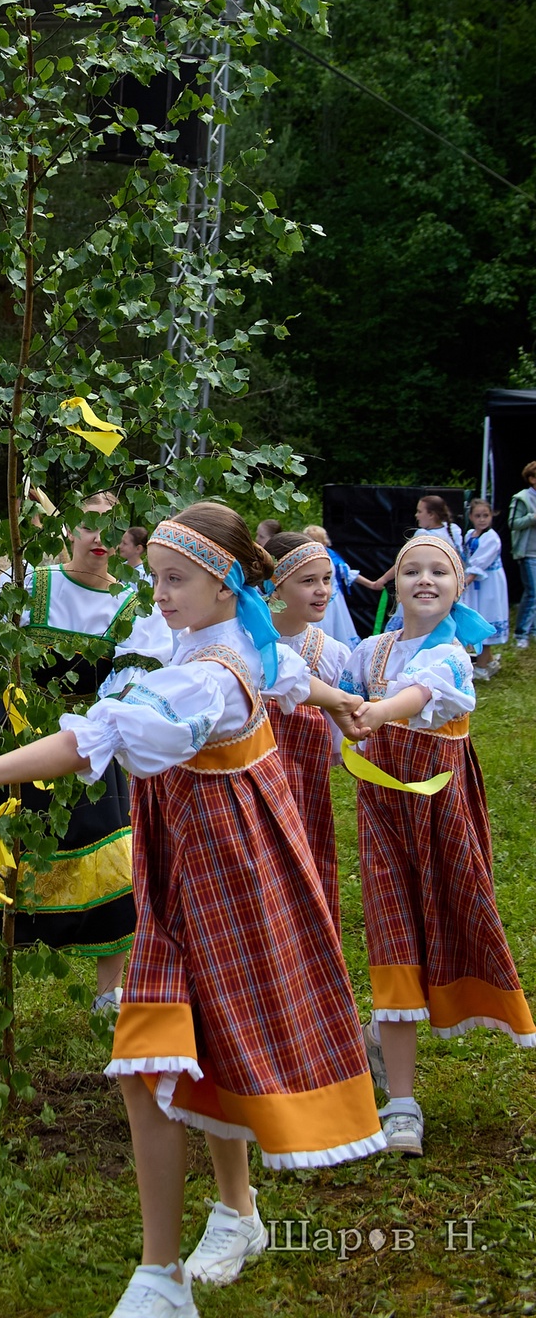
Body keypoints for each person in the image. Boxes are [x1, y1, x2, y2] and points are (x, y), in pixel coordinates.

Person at [0, 502, 383, 1316]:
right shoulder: (217, 638)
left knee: (174, 1058)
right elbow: (288, 674)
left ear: (224, 585)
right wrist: (336, 699)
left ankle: (183, 1256)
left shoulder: (210, 673)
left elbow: (92, 739)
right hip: (188, 879)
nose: (160, 595)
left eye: (175, 580)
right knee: (171, 1056)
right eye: (155, 579)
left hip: (229, 879)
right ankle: (197, 1242)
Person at [339, 532, 535, 1158]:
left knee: (449, 918)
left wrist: (375, 713)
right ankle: (401, 1102)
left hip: (442, 812)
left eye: (439, 572)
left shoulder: (451, 656)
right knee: (393, 933)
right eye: (411, 570)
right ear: (393, 584)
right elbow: (329, 689)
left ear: (460, 587)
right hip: (384, 815)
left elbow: (418, 695)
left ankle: (380, 1034)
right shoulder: (369, 651)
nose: (425, 580)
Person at [0, 492, 174, 1022]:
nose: (100, 538)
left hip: (89, 747)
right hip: (16, 734)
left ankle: (107, 992)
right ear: (70, 529)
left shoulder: (133, 608)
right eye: (90, 525)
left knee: (107, 858)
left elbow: (133, 690)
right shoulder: (33, 586)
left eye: (112, 528)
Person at [264, 531, 355, 929]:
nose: (322, 590)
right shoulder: (243, 645)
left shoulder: (331, 654)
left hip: (305, 794)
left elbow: (344, 743)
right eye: (308, 580)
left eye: (327, 579)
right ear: (274, 587)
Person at [464, 498, 508, 676]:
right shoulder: (470, 535)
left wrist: (463, 583)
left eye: (485, 515)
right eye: (478, 516)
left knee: (486, 619)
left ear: (491, 516)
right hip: (476, 585)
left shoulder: (492, 538)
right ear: (471, 517)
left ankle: (482, 668)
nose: (482, 519)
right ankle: (489, 662)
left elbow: (478, 564)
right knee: (478, 617)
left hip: (489, 584)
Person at [303, 524, 361, 649]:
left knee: (333, 628)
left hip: (332, 601)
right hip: (322, 599)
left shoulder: (331, 557)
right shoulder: (308, 559)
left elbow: (347, 573)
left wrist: (372, 584)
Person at [508, 460, 536, 648]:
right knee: (533, 593)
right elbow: (513, 523)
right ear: (532, 478)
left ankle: (533, 631)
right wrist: (533, 517)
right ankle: (520, 634)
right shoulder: (522, 498)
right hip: (528, 553)